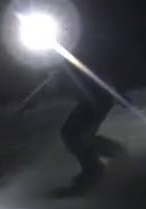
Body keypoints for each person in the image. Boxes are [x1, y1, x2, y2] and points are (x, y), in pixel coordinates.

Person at [15, 54, 127, 191]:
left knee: (73, 135)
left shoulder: (69, 65)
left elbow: (100, 74)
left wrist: (119, 93)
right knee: (75, 135)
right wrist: (28, 103)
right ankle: (111, 155)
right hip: (92, 100)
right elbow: (45, 86)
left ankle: (96, 167)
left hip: (98, 99)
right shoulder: (57, 72)